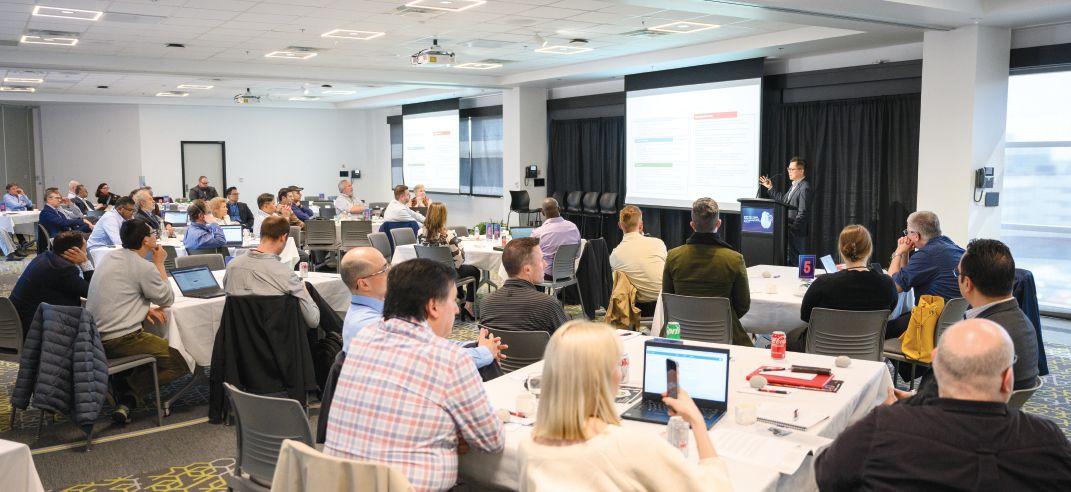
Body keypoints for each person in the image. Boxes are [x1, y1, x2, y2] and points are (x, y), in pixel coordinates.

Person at [815, 318, 1071, 490]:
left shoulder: (883, 429)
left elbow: (826, 475)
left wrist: (900, 413)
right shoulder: (1049, 441)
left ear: (936, 363)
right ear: (1007, 380)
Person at [324, 259, 504, 491]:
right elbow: (492, 441)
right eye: (453, 300)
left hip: (342, 483)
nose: (457, 309)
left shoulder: (362, 339)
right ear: (433, 307)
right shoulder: (451, 360)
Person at [519, 321, 730, 491]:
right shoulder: (632, 447)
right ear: (603, 377)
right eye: (617, 364)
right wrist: (697, 420)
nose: (620, 374)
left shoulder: (527, 447)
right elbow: (714, 487)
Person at [903, 239, 1041, 405]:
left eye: (958, 273)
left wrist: (909, 402)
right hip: (997, 413)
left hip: (957, 415)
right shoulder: (1024, 323)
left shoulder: (978, 337)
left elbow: (941, 395)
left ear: (967, 284)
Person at [85, 218, 189, 423]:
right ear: (145, 241)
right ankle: (129, 394)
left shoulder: (109, 257)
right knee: (180, 361)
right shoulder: (143, 266)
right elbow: (167, 299)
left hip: (93, 336)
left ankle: (124, 390)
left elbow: (119, 293)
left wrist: (142, 308)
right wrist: (159, 263)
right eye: (152, 234)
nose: (155, 237)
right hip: (122, 339)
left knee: (159, 347)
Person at [338, 247, 503, 374]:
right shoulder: (367, 326)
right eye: (384, 269)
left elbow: (428, 343)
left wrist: (473, 345)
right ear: (364, 284)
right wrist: (483, 352)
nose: (391, 271)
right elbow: (431, 359)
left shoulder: (382, 310)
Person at [663, 197, 750, 346]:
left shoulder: (673, 256)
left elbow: (668, 300)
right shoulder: (735, 259)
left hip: (680, 335)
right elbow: (743, 306)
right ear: (718, 224)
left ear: (692, 225)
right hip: (724, 337)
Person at [223, 216, 318, 328]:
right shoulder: (285, 273)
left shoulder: (231, 267)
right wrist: (304, 290)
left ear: (261, 234)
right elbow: (313, 320)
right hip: (277, 336)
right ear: (283, 237)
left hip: (240, 335)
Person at [886, 210, 965, 338]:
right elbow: (906, 281)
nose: (906, 236)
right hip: (954, 322)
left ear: (916, 236)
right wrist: (905, 253)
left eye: (907, 232)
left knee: (881, 330)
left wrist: (898, 252)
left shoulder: (927, 255)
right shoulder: (951, 246)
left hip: (931, 323)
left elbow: (892, 287)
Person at [800, 225, 898, 322]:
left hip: (827, 332)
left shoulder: (823, 283)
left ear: (841, 250)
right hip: (871, 333)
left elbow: (805, 316)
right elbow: (890, 312)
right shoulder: (887, 284)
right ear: (869, 250)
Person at [479, 237, 568, 334]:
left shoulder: (486, 304)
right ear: (527, 270)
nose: (545, 264)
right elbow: (568, 339)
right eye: (542, 259)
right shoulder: (548, 305)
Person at [9, 231, 93, 335]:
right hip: (32, 328)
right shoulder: (62, 269)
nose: (86, 253)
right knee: (91, 328)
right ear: (75, 251)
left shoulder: (46, 257)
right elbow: (91, 292)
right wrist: (85, 263)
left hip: (16, 319)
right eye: (85, 250)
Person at [421, 202, 480, 318]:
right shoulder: (448, 235)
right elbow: (459, 261)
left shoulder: (420, 233)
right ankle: (468, 306)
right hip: (447, 274)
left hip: (429, 273)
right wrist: (461, 249)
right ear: (443, 216)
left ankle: (460, 296)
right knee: (474, 271)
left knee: (455, 268)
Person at [608, 205, 667, 315]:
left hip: (639, 308)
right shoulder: (658, 243)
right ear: (641, 225)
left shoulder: (615, 255)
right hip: (665, 303)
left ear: (620, 225)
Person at [759, 156, 812, 266]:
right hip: (789, 231)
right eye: (788, 169)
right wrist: (770, 188)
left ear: (801, 171)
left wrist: (792, 229)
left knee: (796, 263)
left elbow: (803, 212)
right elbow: (784, 201)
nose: (789, 171)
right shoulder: (794, 186)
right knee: (790, 262)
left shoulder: (804, 187)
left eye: (792, 169)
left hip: (796, 233)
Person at [531, 197, 581, 277]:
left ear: (542, 212)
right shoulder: (573, 227)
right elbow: (577, 254)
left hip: (547, 275)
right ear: (559, 209)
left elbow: (531, 257)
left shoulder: (538, 232)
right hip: (568, 274)